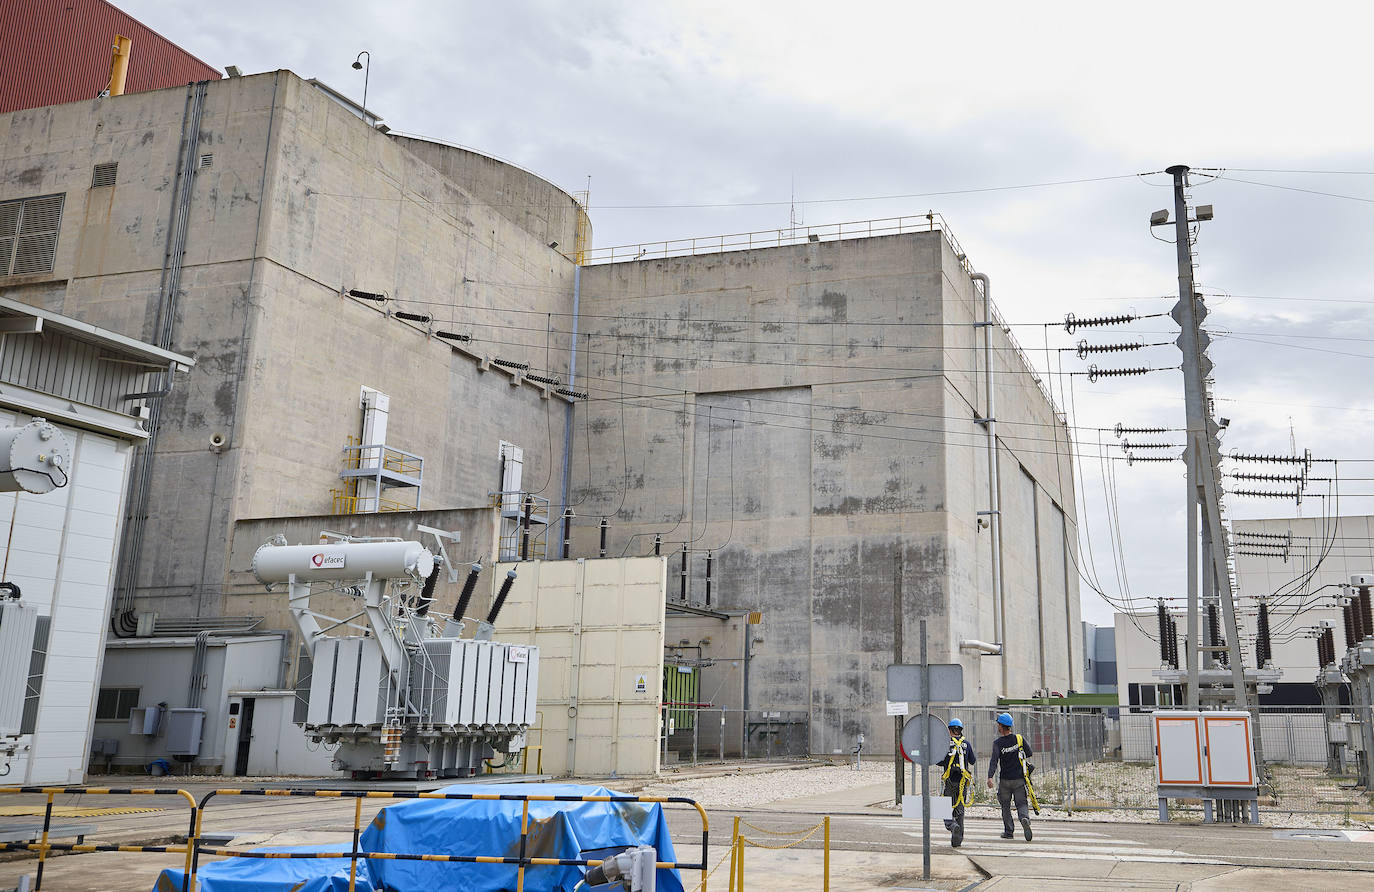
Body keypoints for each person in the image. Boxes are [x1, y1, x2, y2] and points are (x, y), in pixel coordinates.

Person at [986, 712, 1033, 841]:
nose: (997, 726)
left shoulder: (998, 743)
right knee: (1022, 803)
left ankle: (1009, 831)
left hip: (1005, 781)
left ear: (1002, 726)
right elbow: (1029, 752)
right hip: (1019, 779)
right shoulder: (1019, 739)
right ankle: (1024, 818)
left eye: (998, 724)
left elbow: (994, 761)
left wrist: (990, 777)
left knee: (1005, 806)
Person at [936, 717, 976, 847]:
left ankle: (952, 825)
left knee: (944, 808)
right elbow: (973, 761)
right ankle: (957, 841)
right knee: (960, 810)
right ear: (960, 730)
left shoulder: (945, 743)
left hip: (949, 781)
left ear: (949, 730)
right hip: (962, 782)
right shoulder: (967, 744)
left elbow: (938, 761)